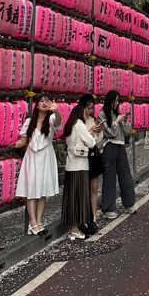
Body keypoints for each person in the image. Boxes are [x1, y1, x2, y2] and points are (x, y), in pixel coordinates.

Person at [14, 93, 59, 234]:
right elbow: (23, 139)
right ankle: (32, 223)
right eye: (41, 101)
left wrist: (56, 110)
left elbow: (58, 122)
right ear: (36, 105)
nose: (44, 103)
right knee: (32, 191)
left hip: (46, 156)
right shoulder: (29, 122)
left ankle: (39, 221)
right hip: (32, 157)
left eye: (47, 100)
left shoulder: (51, 119)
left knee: (42, 191)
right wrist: (16, 144)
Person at [62, 96, 101, 241]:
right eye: (87, 110)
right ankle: (75, 229)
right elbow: (91, 143)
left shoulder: (70, 125)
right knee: (79, 198)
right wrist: (92, 133)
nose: (88, 113)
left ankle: (73, 229)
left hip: (70, 166)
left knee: (72, 198)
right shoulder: (79, 125)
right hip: (81, 166)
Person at [98, 91, 135, 218]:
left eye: (118, 101)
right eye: (115, 100)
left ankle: (129, 204)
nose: (117, 103)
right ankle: (108, 208)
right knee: (109, 178)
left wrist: (124, 120)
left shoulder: (117, 114)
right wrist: (116, 122)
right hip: (109, 146)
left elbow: (127, 131)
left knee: (125, 175)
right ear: (110, 101)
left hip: (120, 146)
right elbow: (109, 132)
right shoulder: (101, 114)